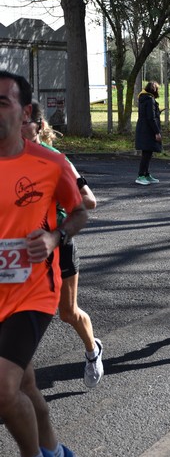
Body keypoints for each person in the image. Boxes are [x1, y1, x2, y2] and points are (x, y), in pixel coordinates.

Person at [0, 70, 88, 457]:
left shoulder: (50, 162)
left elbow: (79, 211)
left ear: (25, 112)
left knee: (2, 387)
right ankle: (57, 456)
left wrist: (55, 237)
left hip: (33, 290)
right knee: (26, 386)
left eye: (2, 102)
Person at [21, 100, 104, 389]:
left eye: (24, 122)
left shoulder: (55, 159)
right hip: (19, 249)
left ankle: (93, 351)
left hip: (58, 247)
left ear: (39, 126)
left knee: (67, 312)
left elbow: (89, 200)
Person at [134, 81, 162, 185]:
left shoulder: (142, 98)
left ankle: (145, 174)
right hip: (148, 130)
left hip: (143, 128)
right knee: (146, 154)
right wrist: (157, 132)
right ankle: (141, 175)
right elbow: (151, 117)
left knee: (147, 153)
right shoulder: (150, 100)